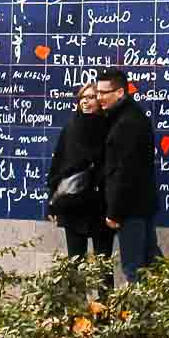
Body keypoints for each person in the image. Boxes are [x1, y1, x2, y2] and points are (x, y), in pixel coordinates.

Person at [96, 67, 163, 283]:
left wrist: (115, 212)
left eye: (104, 93)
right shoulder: (129, 116)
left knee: (134, 268)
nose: (99, 98)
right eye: (98, 92)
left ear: (120, 93)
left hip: (130, 210)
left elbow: (125, 172)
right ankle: (166, 311)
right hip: (140, 205)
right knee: (151, 262)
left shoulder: (127, 123)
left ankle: (143, 315)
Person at [46, 80, 113, 263]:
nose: (85, 101)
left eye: (90, 97)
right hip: (73, 204)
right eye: (82, 97)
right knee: (75, 263)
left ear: (100, 100)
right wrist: (51, 199)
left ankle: (105, 294)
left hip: (100, 205)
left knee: (103, 267)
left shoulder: (110, 127)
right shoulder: (71, 128)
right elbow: (58, 164)